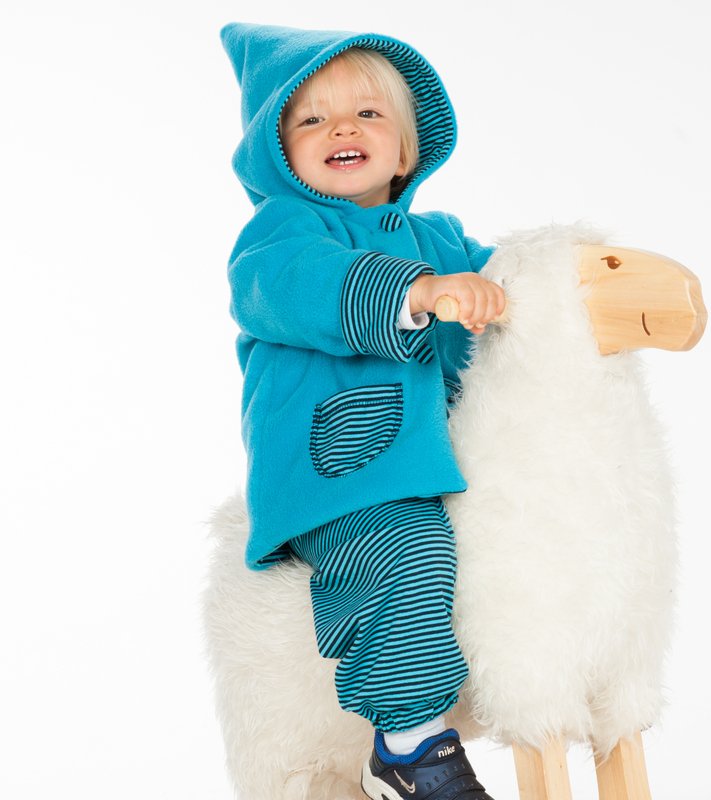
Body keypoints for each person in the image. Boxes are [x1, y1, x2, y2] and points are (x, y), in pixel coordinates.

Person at [221, 22, 505, 800]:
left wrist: (542, 284)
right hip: (338, 475)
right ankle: (410, 746)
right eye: (312, 119)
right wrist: (415, 292)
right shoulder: (281, 234)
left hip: (431, 467)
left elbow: (511, 293)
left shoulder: (442, 239)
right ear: (279, 155)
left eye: (367, 114)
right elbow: (299, 285)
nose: (341, 129)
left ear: (407, 149)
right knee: (407, 552)